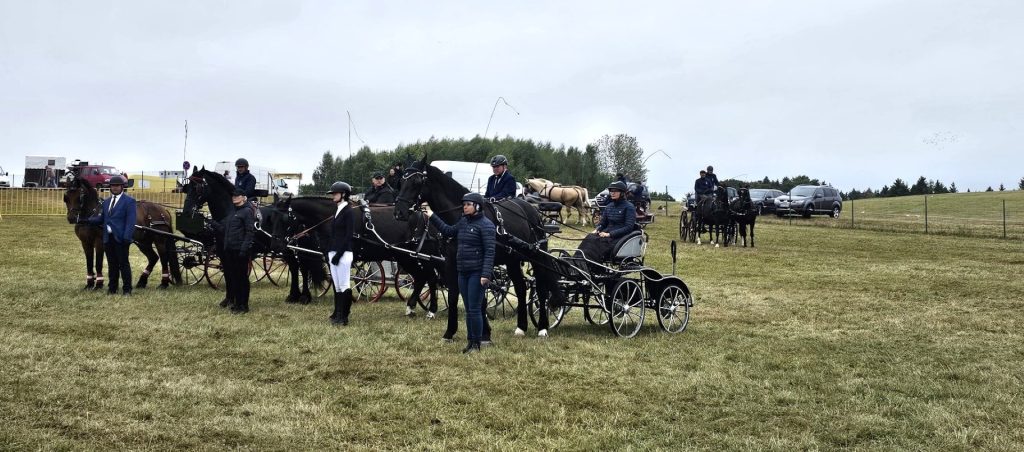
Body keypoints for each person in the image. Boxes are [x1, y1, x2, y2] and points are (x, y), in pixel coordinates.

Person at [428, 192, 496, 354]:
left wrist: (485, 274)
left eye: (468, 204)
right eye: (464, 204)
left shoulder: (486, 225)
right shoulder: (464, 222)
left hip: (477, 273)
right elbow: (448, 230)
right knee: (468, 309)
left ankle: (476, 343)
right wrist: (431, 215)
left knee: (474, 309)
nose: (464, 207)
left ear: (477, 207)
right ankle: (470, 341)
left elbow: (489, 252)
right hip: (463, 272)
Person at [209, 187, 256, 314]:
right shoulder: (232, 213)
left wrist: (244, 249)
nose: (234, 197)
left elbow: (249, 232)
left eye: (237, 195)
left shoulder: (247, 212)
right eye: (233, 196)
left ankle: (243, 305)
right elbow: (225, 231)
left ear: (243, 197)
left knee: (242, 278)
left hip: (240, 250)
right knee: (234, 277)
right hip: (229, 249)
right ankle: (236, 303)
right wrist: (213, 223)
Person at [88, 175, 136, 296]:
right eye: (112, 186)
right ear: (110, 187)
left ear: (122, 187)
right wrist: (88, 219)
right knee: (111, 264)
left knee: (123, 264)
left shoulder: (129, 201)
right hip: (108, 238)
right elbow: (102, 219)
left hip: (121, 238)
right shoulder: (106, 202)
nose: (114, 188)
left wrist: (127, 237)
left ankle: (127, 289)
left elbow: (131, 221)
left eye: (117, 186)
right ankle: (112, 288)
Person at [578, 181, 636, 263]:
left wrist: (609, 234)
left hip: (619, 237)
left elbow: (628, 227)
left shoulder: (629, 207)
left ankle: (588, 264)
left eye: (615, 191)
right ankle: (577, 261)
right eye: (611, 191)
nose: (612, 193)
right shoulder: (609, 206)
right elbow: (603, 223)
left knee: (597, 243)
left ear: (622, 193)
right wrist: (597, 229)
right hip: (606, 233)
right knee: (589, 238)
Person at [327, 181, 356, 326]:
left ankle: (344, 316)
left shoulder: (349, 211)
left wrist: (339, 254)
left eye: (335, 193)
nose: (333, 195)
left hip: (343, 253)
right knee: (337, 286)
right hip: (333, 251)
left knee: (344, 285)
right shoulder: (337, 209)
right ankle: (337, 314)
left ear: (343, 194)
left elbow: (348, 235)